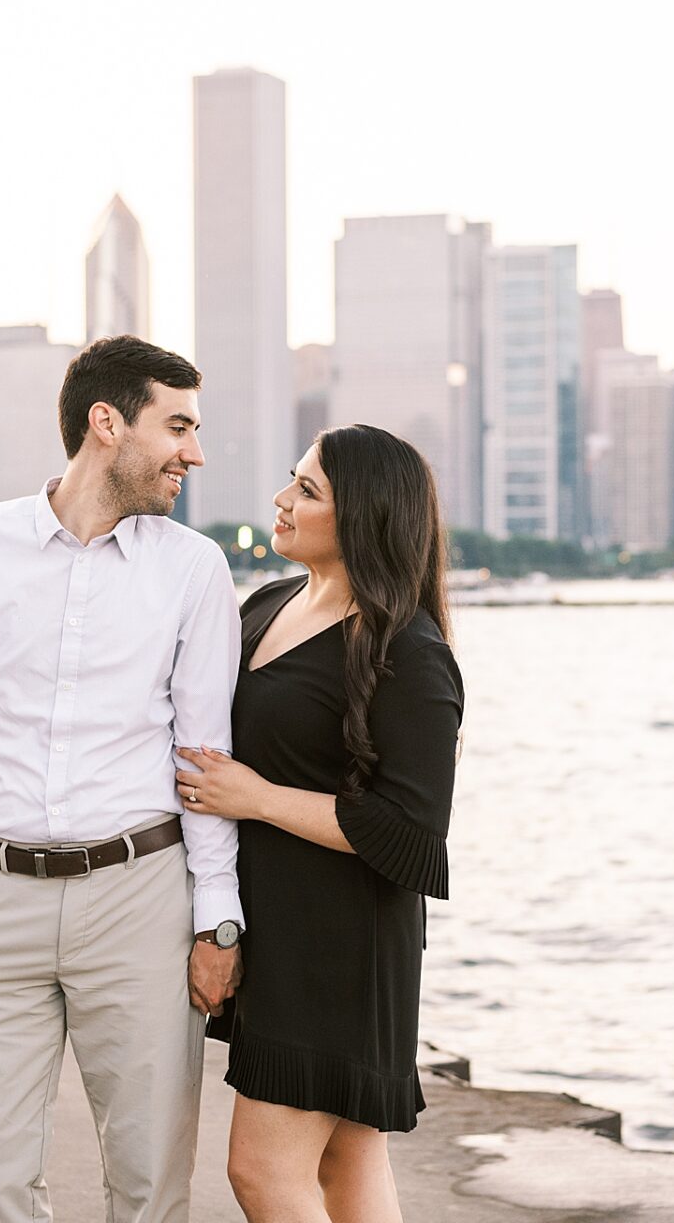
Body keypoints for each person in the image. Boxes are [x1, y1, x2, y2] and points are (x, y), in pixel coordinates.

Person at [0, 336, 246, 1223]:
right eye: (179, 427)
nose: (194, 454)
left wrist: (217, 917)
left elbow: (203, 760)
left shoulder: (194, 570)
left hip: (140, 905)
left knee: (149, 1187)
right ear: (106, 423)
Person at [174, 426, 462, 1223]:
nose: (282, 499)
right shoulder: (268, 605)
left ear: (364, 517)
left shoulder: (408, 649)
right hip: (276, 927)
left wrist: (255, 797)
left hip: (342, 946)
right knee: (345, 1159)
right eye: (291, 481)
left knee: (263, 1174)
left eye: (308, 490)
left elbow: (411, 834)